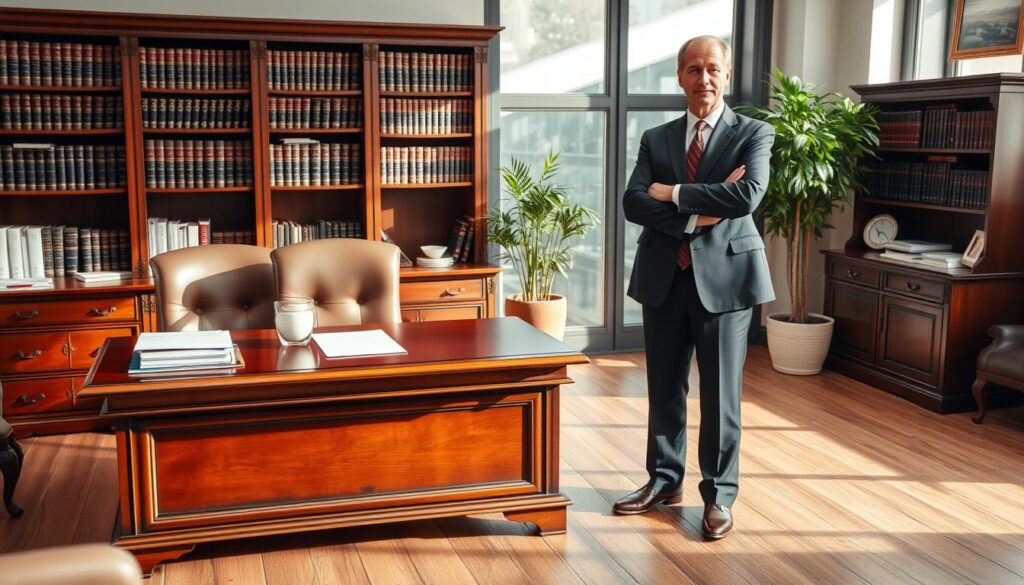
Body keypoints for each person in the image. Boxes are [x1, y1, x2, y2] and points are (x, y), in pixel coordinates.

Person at [616, 35, 775, 541]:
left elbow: (746, 195)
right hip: (665, 277)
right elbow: (633, 203)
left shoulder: (754, 133)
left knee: (721, 396)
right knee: (665, 389)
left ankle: (719, 496)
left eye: (712, 69)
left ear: (726, 75)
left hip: (726, 283)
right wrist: (699, 212)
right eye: (692, 69)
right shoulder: (656, 138)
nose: (702, 79)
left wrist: (675, 191)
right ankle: (664, 481)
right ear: (679, 76)